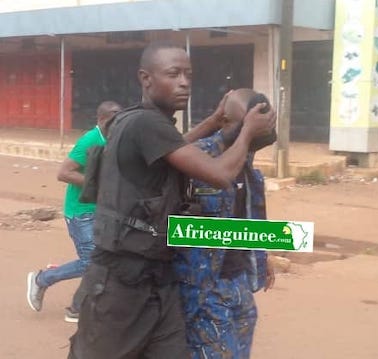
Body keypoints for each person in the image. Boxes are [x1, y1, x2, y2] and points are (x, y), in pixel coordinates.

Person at [67, 41, 275, 359]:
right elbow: (219, 174)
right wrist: (246, 132)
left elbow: (178, 148)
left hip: (158, 281)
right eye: (173, 74)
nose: (184, 82)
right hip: (122, 284)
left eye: (188, 75)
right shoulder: (144, 123)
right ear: (145, 78)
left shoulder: (146, 124)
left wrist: (214, 119)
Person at [173, 88, 276, 358]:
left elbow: (247, 211)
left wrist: (261, 250)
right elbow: (169, 154)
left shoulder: (246, 160)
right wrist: (239, 131)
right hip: (206, 286)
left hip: (238, 281)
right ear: (230, 123)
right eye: (252, 123)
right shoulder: (199, 155)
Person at [26, 100, 122, 323]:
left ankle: (79, 307)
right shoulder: (90, 140)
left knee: (106, 258)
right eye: (113, 116)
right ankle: (43, 279)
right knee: (91, 261)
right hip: (81, 212)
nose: (118, 120)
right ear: (101, 119)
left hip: (103, 211)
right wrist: (99, 187)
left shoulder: (115, 139)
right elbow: (64, 173)